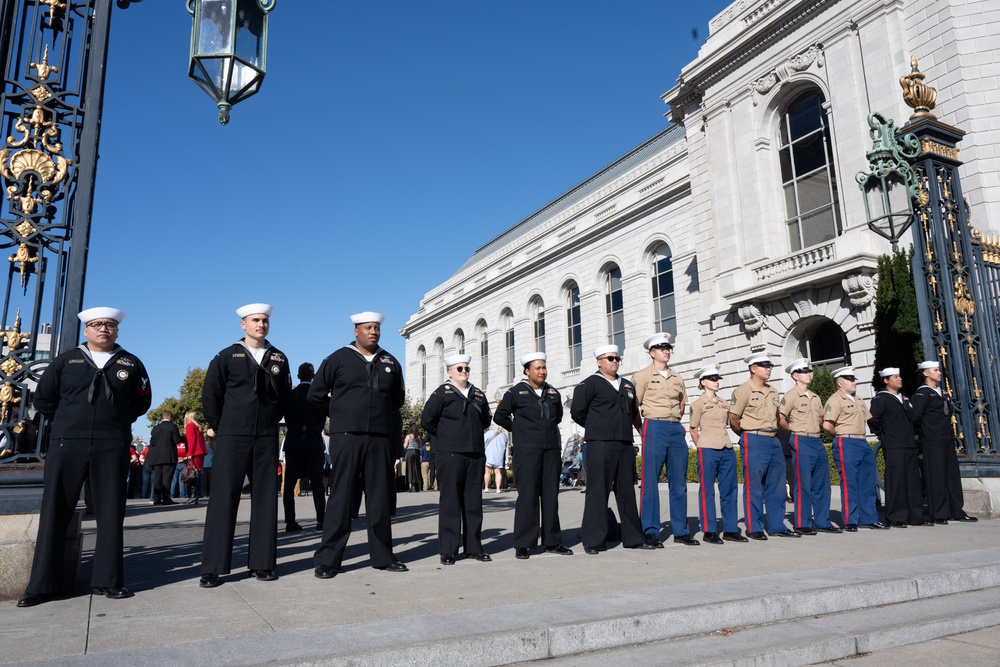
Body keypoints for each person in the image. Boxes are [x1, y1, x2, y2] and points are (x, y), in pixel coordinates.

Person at [18, 306, 151, 607]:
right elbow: (44, 399)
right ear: (86, 330)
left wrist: (114, 422)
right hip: (68, 443)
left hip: (111, 444)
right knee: (55, 512)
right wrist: (71, 423)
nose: (103, 329)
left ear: (117, 330)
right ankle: (41, 586)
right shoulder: (66, 361)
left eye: (109, 325)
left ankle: (109, 581)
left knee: (110, 513)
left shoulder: (130, 363)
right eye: (96, 324)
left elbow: (142, 402)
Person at [199, 303, 292, 588]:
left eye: (264, 320)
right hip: (232, 436)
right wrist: (223, 426)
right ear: (243, 325)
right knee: (223, 499)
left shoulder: (278, 357)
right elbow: (211, 394)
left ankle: (262, 564)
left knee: (265, 499)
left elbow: (284, 398)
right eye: (255, 320)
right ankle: (213, 567)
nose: (261, 324)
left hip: (265, 435)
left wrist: (268, 422)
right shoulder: (226, 356)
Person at [310, 312, 408, 579]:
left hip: (379, 437)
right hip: (346, 436)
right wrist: (342, 413)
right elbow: (316, 394)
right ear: (356, 331)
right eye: (368, 328)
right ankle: (328, 559)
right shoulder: (337, 358)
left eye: (376, 328)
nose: (373, 332)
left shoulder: (390, 361)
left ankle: (383, 556)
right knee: (341, 497)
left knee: (379, 498)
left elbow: (397, 399)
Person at [570, 345, 654, 554]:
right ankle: (593, 540)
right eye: (610, 358)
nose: (615, 361)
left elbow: (634, 412)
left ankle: (633, 537)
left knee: (626, 491)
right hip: (600, 444)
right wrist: (598, 426)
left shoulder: (626, 385)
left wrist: (641, 432)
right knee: (598, 491)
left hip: (624, 444)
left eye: (617, 358)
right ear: (599, 361)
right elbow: (577, 412)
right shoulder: (589, 384)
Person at [494, 352, 573, 559]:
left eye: (544, 367)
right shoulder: (516, 392)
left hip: (550, 450)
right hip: (526, 451)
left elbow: (557, 417)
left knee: (550, 496)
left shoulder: (553, 393)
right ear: (527, 371)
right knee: (528, 496)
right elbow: (500, 415)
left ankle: (553, 542)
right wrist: (518, 430)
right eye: (537, 368)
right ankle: (524, 543)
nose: (542, 371)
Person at [421, 354, 493, 565]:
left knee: (473, 504)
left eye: (466, 369)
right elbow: (427, 420)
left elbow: (485, 420)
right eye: (460, 369)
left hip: (474, 454)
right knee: (450, 503)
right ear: (450, 372)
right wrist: (447, 437)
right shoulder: (441, 393)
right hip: (450, 454)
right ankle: (448, 549)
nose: (464, 372)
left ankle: (474, 547)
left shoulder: (478, 394)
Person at [632, 332, 696, 547]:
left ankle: (681, 530)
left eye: (668, 348)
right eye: (661, 348)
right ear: (652, 353)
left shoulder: (678, 377)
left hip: (675, 427)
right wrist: (643, 429)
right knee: (650, 482)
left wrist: (676, 423)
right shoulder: (641, 376)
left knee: (679, 482)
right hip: (654, 425)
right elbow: (633, 406)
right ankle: (649, 530)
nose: (666, 351)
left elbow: (681, 404)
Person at [729, 352, 800, 539]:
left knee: (777, 485)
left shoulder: (773, 391)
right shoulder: (743, 391)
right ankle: (755, 528)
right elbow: (734, 420)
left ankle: (777, 526)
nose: (768, 369)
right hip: (753, 438)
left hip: (773, 439)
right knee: (754, 486)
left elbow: (777, 418)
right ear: (753, 368)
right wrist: (748, 435)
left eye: (769, 366)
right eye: (764, 366)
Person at [910, 360, 978, 524]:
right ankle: (939, 513)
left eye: (939, 370)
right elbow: (916, 417)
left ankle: (957, 511)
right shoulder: (922, 393)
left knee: (952, 475)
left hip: (947, 438)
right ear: (926, 373)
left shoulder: (942, 393)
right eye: (935, 370)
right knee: (936, 476)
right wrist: (926, 431)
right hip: (932, 439)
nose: (939, 373)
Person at [779, 358, 840, 534]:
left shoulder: (815, 397)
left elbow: (821, 419)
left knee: (822, 483)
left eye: (809, 371)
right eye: (804, 372)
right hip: (801, 439)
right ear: (795, 375)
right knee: (803, 483)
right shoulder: (791, 395)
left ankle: (822, 521)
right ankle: (802, 523)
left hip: (816, 440)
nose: (808, 374)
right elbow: (781, 418)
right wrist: (794, 430)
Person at [823, 366, 886, 531]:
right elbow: (827, 425)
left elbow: (869, 420)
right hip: (847, 441)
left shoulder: (858, 399)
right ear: (840, 384)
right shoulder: (835, 400)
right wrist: (840, 436)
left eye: (854, 379)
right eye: (851, 379)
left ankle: (868, 518)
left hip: (862, 442)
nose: (855, 382)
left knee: (867, 481)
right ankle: (850, 520)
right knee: (849, 482)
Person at [689, 363, 745, 545]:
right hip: (707, 450)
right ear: (703, 382)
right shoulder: (698, 404)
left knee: (730, 489)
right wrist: (701, 447)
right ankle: (709, 530)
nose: (716, 382)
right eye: (712, 379)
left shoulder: (724, 403)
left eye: (717, 379)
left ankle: (730, 529)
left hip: (726, 448)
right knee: (707, 491)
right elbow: (693, 429)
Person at [868, 367, 927, 527]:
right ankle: (896, 517)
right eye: (895, 376)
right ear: (886, 380)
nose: (899, 378)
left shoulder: (904, 399)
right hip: (893, 445)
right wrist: (885, 434)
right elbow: (873, 420)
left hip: (908, 444)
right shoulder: (881, 399)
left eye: (899, 375)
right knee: (897, 481)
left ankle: (915, 516)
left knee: (913, 481)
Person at [282, 362, 327, 532]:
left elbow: (287, 418)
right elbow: (321, 418)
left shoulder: (290, 396)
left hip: (293, 442)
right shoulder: (316, 395)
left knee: (289, 484)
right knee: (317, 482)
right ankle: (321, 520)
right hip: (313, 443)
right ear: (313, 376)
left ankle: (290, 521)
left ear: (298, 376)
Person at [147, 411, 181, 506]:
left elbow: (152, 442)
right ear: (170, 417)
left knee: (157, 477)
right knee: (167, 477)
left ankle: (156, 498)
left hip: (156, 457)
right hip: (168, 456)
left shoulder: (155, 428)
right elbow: (176, 440)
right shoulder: (173, 427)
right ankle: (166, 498)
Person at [184, 412, 207, 504]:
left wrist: (190, 453)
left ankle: (193, 496)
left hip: (194, 452)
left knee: (192, 474)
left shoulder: (190, 426)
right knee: (196, 473)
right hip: (200, 452)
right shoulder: (198, 426)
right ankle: (195, 495)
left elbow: (191, 441)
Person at [483, 425, 507, 492]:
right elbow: (505, 445)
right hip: (499, 456)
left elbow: (483, 443)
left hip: (489, 454)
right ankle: (498, 489)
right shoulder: (503, 435)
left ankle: (486, 487)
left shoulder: (487, 433)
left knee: (487, 471)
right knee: (498, 472)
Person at [403, 424, 423, 492]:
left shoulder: (408, 436)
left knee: (410, 468)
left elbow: (405, 446)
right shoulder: (418, 436)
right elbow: (420, 446)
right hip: (416, 452)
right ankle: (417, 485)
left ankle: (412, 485)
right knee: (416, 468)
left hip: (410, 452)